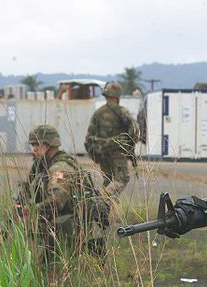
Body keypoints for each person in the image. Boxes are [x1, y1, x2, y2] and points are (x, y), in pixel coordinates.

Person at [16, 124, 108, 258]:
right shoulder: (46, 165)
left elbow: (56, 203)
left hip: (78, 228)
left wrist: (30, 210)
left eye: (37, 144)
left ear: (50, 145)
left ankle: (58, 260)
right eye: (33, 145)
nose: (34, 149)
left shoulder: (59, 168)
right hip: (78, 225)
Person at [85, 81, 138, 197]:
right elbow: (134, 131)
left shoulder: (98, 113)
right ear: (118, 96)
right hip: (118, 152)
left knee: (108, 179)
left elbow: (89, 137)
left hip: (102, 153)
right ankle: (103, 199)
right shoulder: (122, 111)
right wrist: (128, 145)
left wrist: (95, 153)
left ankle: (103, 210)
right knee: (122, 179)